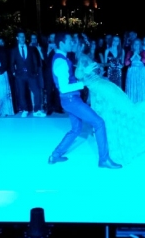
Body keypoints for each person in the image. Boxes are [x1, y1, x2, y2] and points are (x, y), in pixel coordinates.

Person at [74, 36, 145, 165]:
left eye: (74, 42)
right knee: (113, 116)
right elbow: (85, 75)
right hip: (101, 90)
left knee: (130, 110)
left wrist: (86, 72)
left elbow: (81, 75)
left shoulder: (83, 58)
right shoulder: (83, 58)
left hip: (104, 89)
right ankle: (110, 151)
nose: (73, 44)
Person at [48, 33, 121, 169]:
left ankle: (55, 155)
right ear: (62, 43)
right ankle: (104, 159)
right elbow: (64, 88)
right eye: (70, 40)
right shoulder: (61, 62)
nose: (72, 43)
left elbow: (68, 81)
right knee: (99, 123)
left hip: (69, 100)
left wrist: (83, 74)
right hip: (71, 100)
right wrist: (83, 82)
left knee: (76, 129)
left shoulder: (61, 59)